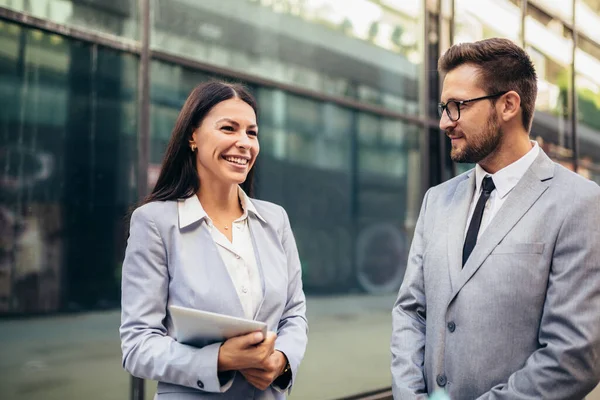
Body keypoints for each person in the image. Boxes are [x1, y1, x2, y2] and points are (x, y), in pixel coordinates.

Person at [391, 37, 600, 399]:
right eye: (444, 107)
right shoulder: (436, 200)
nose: (444, 122)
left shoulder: (580, 203)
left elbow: (573, 355)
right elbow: (411, 311)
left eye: (457, 106)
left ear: (508, 105)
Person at [120, 80, 308, 399]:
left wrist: (281, 362)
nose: (244, 142)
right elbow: (137, 345)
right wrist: (219, 360)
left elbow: (294, 314)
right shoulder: (154, 223)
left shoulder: (275, 220)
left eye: (251, 132)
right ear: (193, 136)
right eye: (229, 128)